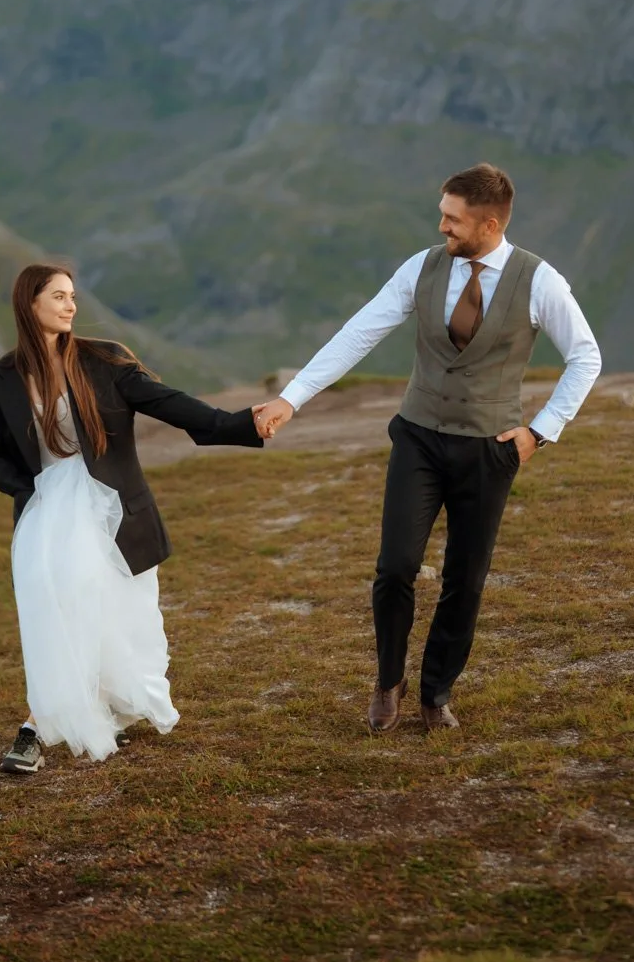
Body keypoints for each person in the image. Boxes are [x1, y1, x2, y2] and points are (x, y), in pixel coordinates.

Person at [254, 164, 601, 734]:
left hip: (489, 450)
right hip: (417, 438)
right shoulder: (422, 267)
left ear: (489, 223)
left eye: (452, 218)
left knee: (465, 580)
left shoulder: (539, 281)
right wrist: (292, 400)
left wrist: (540, 431)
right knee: (395, 568)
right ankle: (388, 681)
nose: (440, 225)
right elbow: (361, 331)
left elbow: (586, 356)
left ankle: (435, 691)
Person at [0, 264, 266, 772]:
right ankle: (35, 728)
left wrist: (244, 424)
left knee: (121, 621)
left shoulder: (104, 361)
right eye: (59, 296)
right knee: (57, 618)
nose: (71, 306)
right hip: (46, 515)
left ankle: (95, 710)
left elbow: (173, 405)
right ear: (30, 304)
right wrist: (30, 491)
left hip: (116, 512)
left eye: (72, 296)